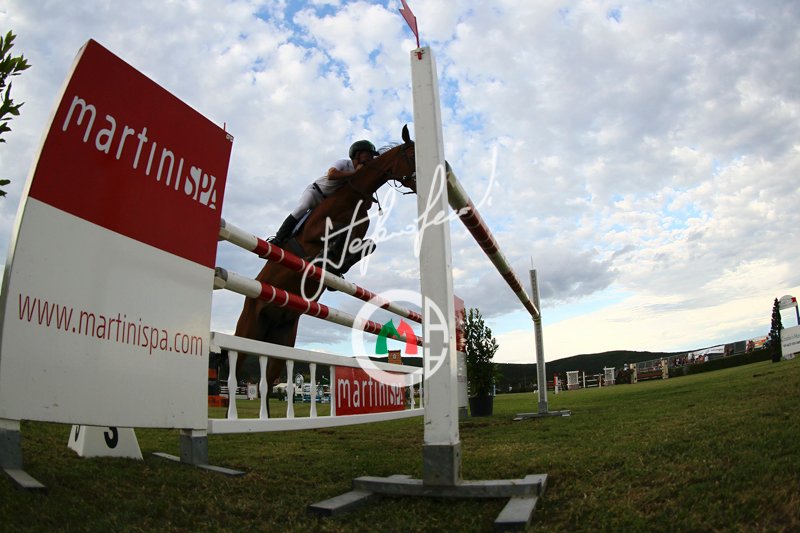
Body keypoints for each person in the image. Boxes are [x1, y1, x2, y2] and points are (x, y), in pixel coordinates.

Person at [267, 139, 380, 246]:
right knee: (302, 207)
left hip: (326, 201)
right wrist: (355, 174)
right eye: (369, 154)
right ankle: (278, 238)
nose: (372, 157)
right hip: (315, 192)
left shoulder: (360, 174)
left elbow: (368, 206)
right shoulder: (343, 163)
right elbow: (331, 175)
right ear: (357, 154)